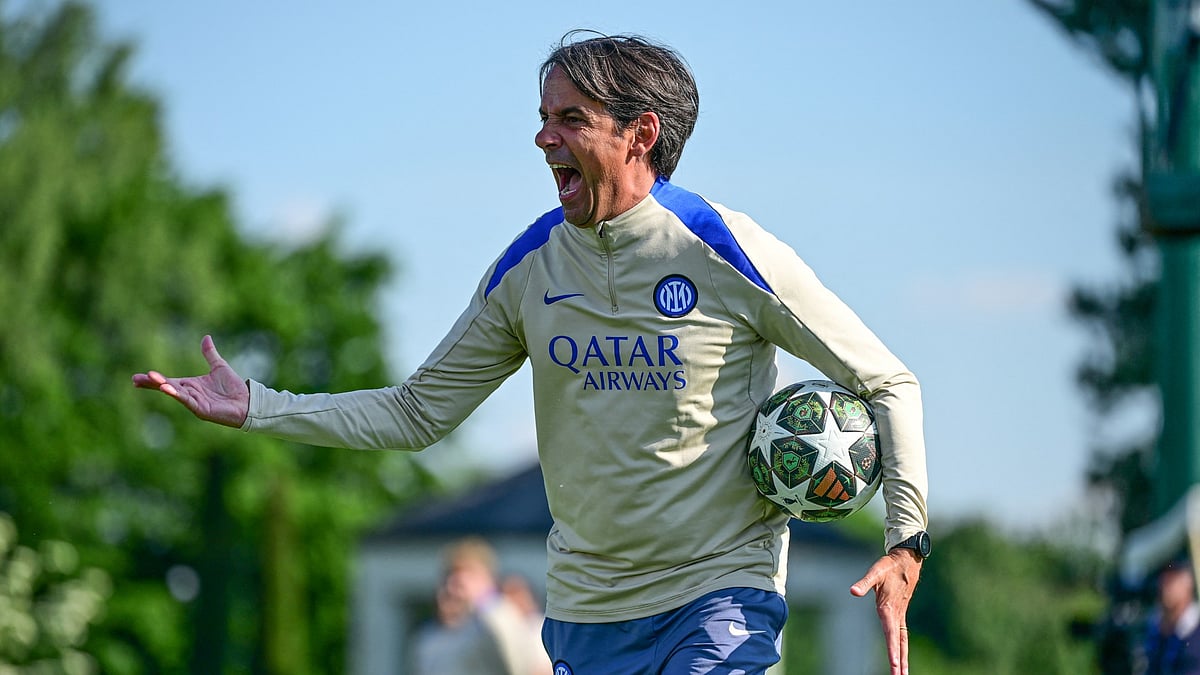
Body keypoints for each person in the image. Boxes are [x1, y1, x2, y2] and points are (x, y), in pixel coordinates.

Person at [133, 32, 929, 675]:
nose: (543, 136)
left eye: (571, 118)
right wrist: (259, 405)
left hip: (718, 591)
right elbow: (417, 412)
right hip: (586, 611)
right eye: (544, 116)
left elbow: (887, 380)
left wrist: (905, 538)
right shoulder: (530, 269)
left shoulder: (729, 253)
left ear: (640, 134)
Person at [412, 537, 551, 675]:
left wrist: (485, 599)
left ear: (488, 579)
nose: (455, 586)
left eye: (469, 575)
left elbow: (518, 663)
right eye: (451, 576)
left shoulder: (530, 627)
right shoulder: (430, 639)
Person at [1140, 558, 1200, 675]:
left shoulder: (1196, 629)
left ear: (1188, 583)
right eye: (1163, 580)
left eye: (1171, 580)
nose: (1165, 587)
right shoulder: (1155, 630)